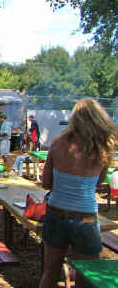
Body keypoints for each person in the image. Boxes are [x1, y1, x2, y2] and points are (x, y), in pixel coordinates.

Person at [39, 98, 118, 288]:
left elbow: (46, 183)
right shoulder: (104, 148)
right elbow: (98, 183)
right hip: (86, 218)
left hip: (56, 213)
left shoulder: (58, 144)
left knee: (50, 272)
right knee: (86, 274)